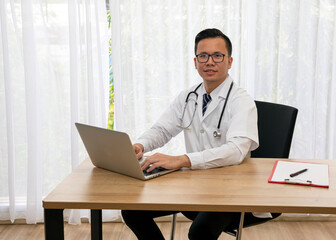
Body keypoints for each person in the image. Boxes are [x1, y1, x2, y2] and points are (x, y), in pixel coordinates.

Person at [122, 28, 265, 240]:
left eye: (218, 56)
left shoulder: (241, 101)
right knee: (132, 211)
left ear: (230, 61)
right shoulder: (189, 96)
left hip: (230, 191)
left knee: (200, 231)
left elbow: (236, 151)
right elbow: (163, 129)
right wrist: (141, 145)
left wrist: (182, 159)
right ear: (195, 61)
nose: (210, 62)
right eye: (203, 56)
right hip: (195, 184)